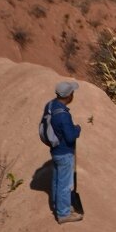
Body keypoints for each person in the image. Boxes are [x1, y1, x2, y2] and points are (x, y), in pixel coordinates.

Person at [40, 80, 82, 224]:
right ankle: (63, 214)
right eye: (72, 93)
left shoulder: (50, 105)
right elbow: (70, 137)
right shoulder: (63, 115)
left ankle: (57, 204)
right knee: (65, 183)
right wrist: (77, 129)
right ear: (69, 95)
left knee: (57, 180)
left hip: (55, 150)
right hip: (65, 152)